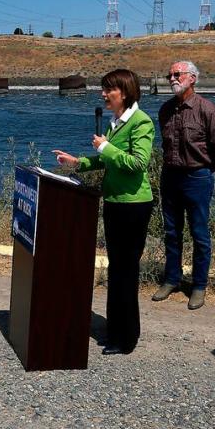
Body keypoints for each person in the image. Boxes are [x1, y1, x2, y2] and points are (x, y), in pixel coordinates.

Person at [52, 69, 155, 355]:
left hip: (134, 205)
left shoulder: (141, 122)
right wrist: (78, 162)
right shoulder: (115, 123)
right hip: (114, 202)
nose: (103, 94)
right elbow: (106, 161)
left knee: (126, 270)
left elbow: (137, 163)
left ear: (124, 92)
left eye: (108, 89)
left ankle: (127, 337)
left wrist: (106, 146)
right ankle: (115, 330)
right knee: (116, 269)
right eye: (103, 89)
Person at [151, 61, 215, 310]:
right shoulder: (165, 110)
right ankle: (172, 279)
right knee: (171, 232)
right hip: (170, 177)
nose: (172, 78)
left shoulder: (207, 110)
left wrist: (203, 170)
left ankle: (198, 286)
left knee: (199, 233)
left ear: (192, 78)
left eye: (177, 74)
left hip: (197, 179)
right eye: (169, 75)